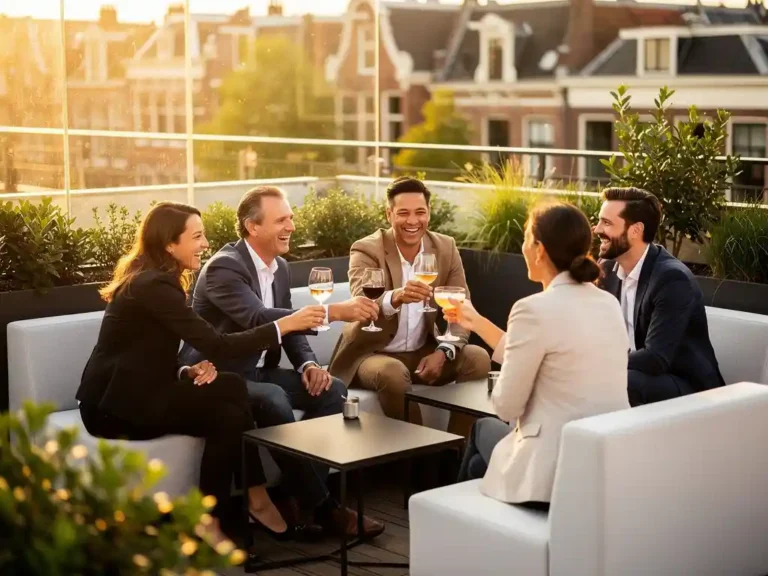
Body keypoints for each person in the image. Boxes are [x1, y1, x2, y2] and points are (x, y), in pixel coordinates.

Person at [76, 202, 327, 545]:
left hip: (141, 391)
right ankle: (242, 506)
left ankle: (220, 515)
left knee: (231, 399)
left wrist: (184, 369)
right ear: (169, 244)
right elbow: (219, 345)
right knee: (231, 400)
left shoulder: (156, 281)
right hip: (115, 407)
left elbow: (141, 352)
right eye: (197, 236)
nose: (206, 244)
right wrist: (285, 325)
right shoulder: (153, 286)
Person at [180, 186, 384, 539]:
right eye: (281, 220)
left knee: (331, 388)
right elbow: (260, 318)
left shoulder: (281, 268)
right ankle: (324, 508)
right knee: (273, 396)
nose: (291, 225)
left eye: (291, 217)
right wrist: (335, 311)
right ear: (252, 227)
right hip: (218, 376)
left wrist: (308, 366)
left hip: (257, 369)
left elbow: (289, 328)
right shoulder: (223, 268)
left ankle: (298, 497)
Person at [449, 202, 630, 506]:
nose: (522, 247)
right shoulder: (608, 303)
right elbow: (559, 352)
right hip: (605, 461)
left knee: (482, 428)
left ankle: (452, 524)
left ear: (540, 249)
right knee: (482, 467)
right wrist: (477, 322)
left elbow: (506, 408)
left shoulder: (531, 309)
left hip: (555, 466)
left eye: (525, 238)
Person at [328, 176, 491, 434]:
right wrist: (396, 296)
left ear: (429, 213)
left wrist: (444, 352)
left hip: (421, 350)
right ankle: (422, 456)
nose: (412, 221)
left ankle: (457, 449)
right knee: (392, 372)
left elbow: (460, 307)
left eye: (420, 212)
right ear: (389, 214)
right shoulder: (367, 248)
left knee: (478, 358)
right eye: (403, 213)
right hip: (372, 355)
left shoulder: (445, 248)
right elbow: (361, 299)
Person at [594, 187, 725, 406]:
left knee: (620, 381)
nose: (597, 229)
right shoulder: (607, 269)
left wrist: (599, 363)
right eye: (599, 221)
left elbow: (656, 358)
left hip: (688, 387)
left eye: (607, 223)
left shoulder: (672, 279)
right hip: (635, 373)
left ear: (635, 230)